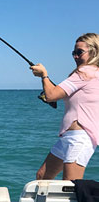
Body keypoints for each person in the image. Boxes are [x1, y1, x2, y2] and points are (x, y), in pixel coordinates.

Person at [30, 33, 99, 180]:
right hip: (67, 137)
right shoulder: (91, 74)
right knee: (42, 176)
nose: (75, 56)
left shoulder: (85, 72)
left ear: (93, 51)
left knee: (69, 186)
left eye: (79, 52)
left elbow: (51, 95)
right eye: (74, 53)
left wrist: (44, 75)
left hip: (80, 138)